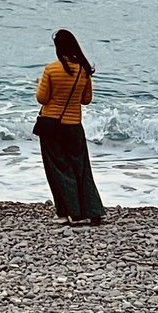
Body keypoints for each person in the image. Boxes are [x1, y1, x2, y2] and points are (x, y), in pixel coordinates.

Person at [35, 29, 105, 226]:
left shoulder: (51, 69)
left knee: (59, 168)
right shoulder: (84, 70)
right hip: (74, 125)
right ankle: (92, 210)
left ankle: (69, 213)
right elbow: (86, 100)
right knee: (81, 168)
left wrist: (38, 85)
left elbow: (42, 98)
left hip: (52, 124)